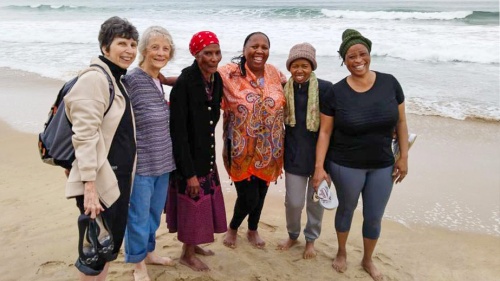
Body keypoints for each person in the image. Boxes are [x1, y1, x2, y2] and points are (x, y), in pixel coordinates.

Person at [312, 29, 410, 281]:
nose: (357, 60)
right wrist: (319, 168)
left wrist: (404, 157)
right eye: (351, 56)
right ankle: (342, 252)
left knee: (374, 215)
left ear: (369, 54)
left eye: (362, 54)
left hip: (382, 164)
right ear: (343, 60)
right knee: (346, 209)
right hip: (346, 163)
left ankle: (367, 259)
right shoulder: (335, 92)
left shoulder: (390, 82)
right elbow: (324, 132)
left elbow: (401, 122)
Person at [64, 16, 138, 280]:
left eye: (133, 44)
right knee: (96, 251)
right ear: (105, 47)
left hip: (114, 179)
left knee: (108, 247)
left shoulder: (115, 78)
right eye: (122, 43)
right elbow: (84, 136)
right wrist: (89, 186)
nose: (130, 50)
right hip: (100, 181)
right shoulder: (95, 79)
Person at [218, 32, 287, 249]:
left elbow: (297, 90)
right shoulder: (227, 74)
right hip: (241, 149)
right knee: (248, 197)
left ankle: (253, 229)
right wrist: (163, 80)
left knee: (261, 192)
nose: (259, 51)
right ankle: (233, 227)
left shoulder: (275, 73)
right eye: (254, 46)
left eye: (264, 47)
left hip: (271, 150)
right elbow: (199, 79)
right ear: (244, 48)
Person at [166, 31, 227, 271]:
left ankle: (196, 244)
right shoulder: (184, 84)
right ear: (196, 54)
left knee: (204, 203)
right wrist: (189, 173)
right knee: (192, 204)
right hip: (189, 160)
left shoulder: (216, 79)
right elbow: (178, 134)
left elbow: (213, 114)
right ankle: (187, 254)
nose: (214, 58)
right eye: (207, 53)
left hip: (206, 155)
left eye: (217, 52)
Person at [122, 26, 176, 281]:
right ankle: (137, 262)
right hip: (142, 163)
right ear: (143, 50)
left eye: (165, 49)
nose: (160, 52)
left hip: (164, 160)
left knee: (154, 214)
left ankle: (150, 252)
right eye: (155, 47)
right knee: (139, 215)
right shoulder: (132, 79)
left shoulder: (159, 80)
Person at [276, 43, 334, 259]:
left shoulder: (326, 89)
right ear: (289, 67)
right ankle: (293, 235)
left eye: (305, 65)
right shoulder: (284, 89)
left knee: (316, 202)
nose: (299, 70)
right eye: (295, 66)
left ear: (312, 67)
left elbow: (335, 124)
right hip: (294, 155)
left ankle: (311, 240)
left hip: (324, 157)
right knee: (294, 202)